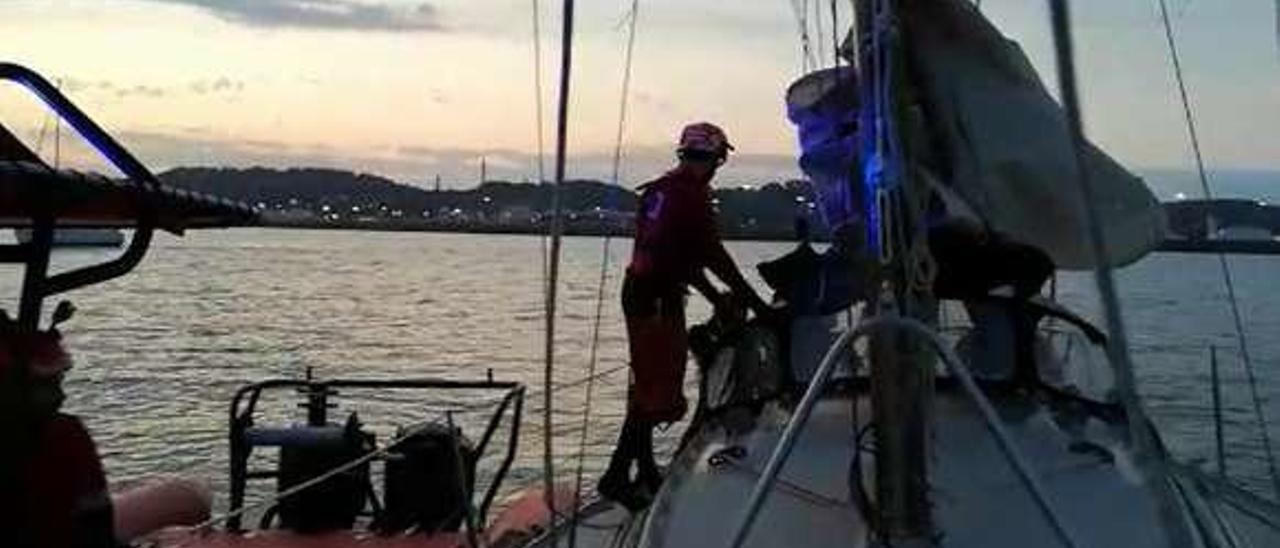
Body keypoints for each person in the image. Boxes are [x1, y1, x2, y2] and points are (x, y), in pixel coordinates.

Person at [597, 122, 771, 510]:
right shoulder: (689, 197)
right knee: (656, 390)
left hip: (645, 292)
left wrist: (716, 298)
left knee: (647, 382)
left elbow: (682, 258)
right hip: (656, 299)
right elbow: (713, 257)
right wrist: (755, 306)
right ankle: (615, 476)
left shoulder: (663, 191)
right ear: (717, 158)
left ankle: (642, 469)